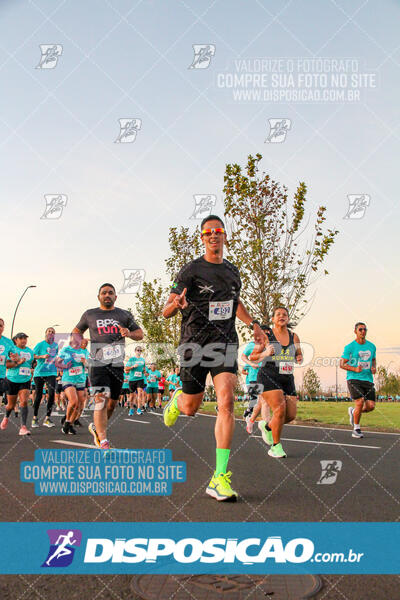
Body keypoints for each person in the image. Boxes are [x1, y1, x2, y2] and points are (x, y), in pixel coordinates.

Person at [162, 215, 264, 501]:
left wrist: (253, 324)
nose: (214, 236)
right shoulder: (191, 270)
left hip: (225, 343)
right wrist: (175, 305)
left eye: (218, 231)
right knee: (192, 408)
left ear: (225, 236)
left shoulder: (233, 272)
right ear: (203, 238)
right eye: (208, 233)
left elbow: (236, 303)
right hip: (194, 344)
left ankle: (219, 477)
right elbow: (166, 309)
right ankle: (178, 399)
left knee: (227, 401)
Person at [72, 283, 143, 450]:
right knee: (101, 399)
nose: (107, 295)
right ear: (99, 297)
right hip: (97, 363)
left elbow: (140, 334)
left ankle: (98, 429)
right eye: (104, 293)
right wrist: (79, 340)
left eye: (110, 293)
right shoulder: (90, 314)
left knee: (112, 404)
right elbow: (76, 331)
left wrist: (129, 333)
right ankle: (103, 440)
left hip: (117, 363)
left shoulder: (124, 314)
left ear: (115, 297)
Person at [250, 307, 303, 458]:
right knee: (280, 409)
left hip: (287, 378)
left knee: (290, 415)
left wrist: (299, 358)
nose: (282, 316)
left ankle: (267, 427)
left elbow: (299, 354)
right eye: (278, 314)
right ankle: (275, 446)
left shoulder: (294, 337)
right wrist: (265, 352)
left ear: (288, 318)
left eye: (285, 314)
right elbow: (253, 356)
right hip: (268, 375)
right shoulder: (266, 335)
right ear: (273, 319)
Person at [340, 322, 376, 439]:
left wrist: (373, 367)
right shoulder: (350, 347)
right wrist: (354, 368)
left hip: (368, 379)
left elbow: (373, 359)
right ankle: (356, 429)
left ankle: (354, 411)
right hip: (353, 378)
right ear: (355, 331)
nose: (363, 331)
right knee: (360, 401)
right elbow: (342, 364)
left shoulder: (372, 346)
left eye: (365, 329)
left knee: (370, 406)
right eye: (360, 329)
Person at [1, 333, 34, 435]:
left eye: (25, 338)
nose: (24, 340)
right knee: (10, 405)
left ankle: (23, 427)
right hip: (12, 380)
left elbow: (32, 363)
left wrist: (34, 365)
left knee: (24, 401)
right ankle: (6, 417)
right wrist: (18, 363)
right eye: (21, 338)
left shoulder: (30, 351)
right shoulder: (12, 350)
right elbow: (7, 365)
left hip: (25, 380)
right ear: (15, 340)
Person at [56, 333, 88, 435]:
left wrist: (85, 362)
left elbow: (89, 365)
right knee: (74, 401)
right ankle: (67, 422)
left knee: (79, 404)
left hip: (80, 379)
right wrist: (64, 366)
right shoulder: (66, 350)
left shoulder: (84, 351)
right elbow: (57, 363)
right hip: (68, 379)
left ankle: (69, 423)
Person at [32, 327, 59, 428]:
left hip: (51, 372)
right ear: (45, 333)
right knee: (39, 395)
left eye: (53, 332)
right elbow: (33, 355)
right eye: (49, 332)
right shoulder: (40, 344)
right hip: (39, 373)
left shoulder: (56, 345)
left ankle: (47, 418)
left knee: (51, 394)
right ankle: (35, 417)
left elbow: (55, 357)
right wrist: (42, 356)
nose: (51, 333)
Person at [125, 346, 146, 416]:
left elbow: (144, 369)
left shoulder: (143, 360)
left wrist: (144, 371)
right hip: (132, 379)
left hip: (140, 379)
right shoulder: (131, 359)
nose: (139, 352)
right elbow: (126, 369)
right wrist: (133, 366)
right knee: (132, 396)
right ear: (135, 351)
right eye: (138, 350)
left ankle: (139, 409)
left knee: (140, 393)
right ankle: (131, 409)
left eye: (140, 350)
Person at [0, 318, 16, 405]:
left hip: (1, 376)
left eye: (1, 326)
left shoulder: (8, 342)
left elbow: (15, 357)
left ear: (3, 328)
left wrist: (14, 358)